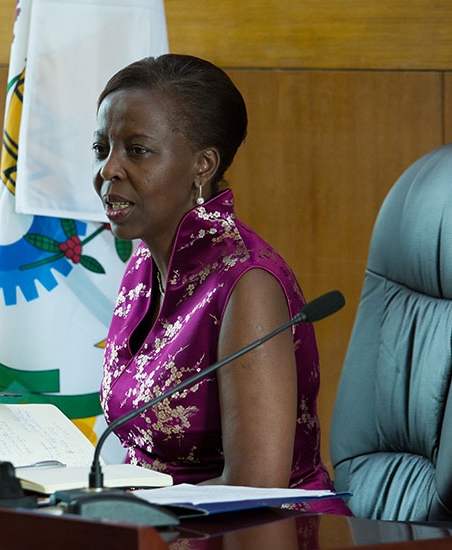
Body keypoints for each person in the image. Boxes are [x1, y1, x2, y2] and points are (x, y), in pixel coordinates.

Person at [93, 53, 350, 515]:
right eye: (101, 149)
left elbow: (255, 488)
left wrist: (125, 515)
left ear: (203, 166)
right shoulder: (143, 262)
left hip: (259, 532)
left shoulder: (247, 284)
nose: (108, 170)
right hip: (158, 525)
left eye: (137, 150)